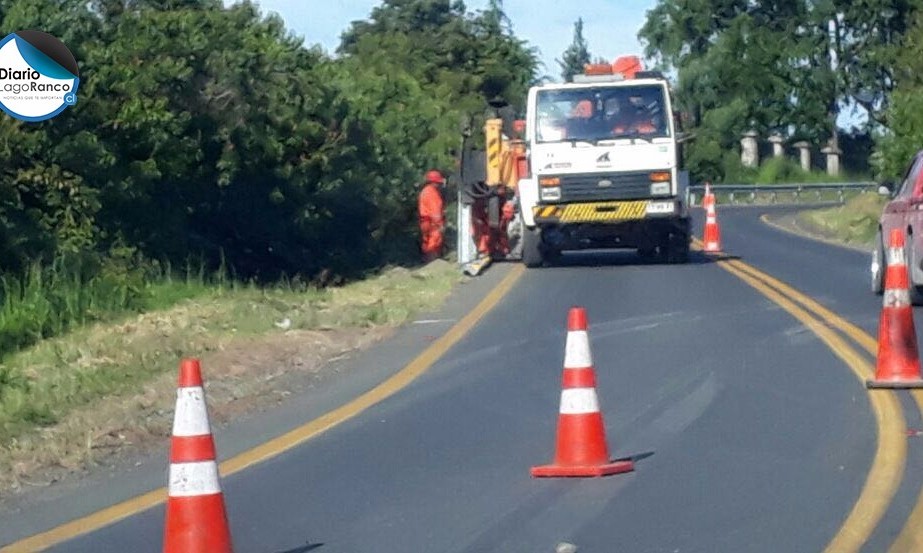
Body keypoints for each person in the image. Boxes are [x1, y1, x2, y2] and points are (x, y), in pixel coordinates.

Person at [418, 169, 446, 262]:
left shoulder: (425, 191)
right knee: (434, 242)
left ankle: (427, 261)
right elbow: (435, 211)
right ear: (434, 182)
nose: (439, 185)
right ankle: (433, 262)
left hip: (424, 222)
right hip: (432, 223)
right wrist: (440, 225)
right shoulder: (432, 193)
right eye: (438, 183)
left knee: (427, 241)